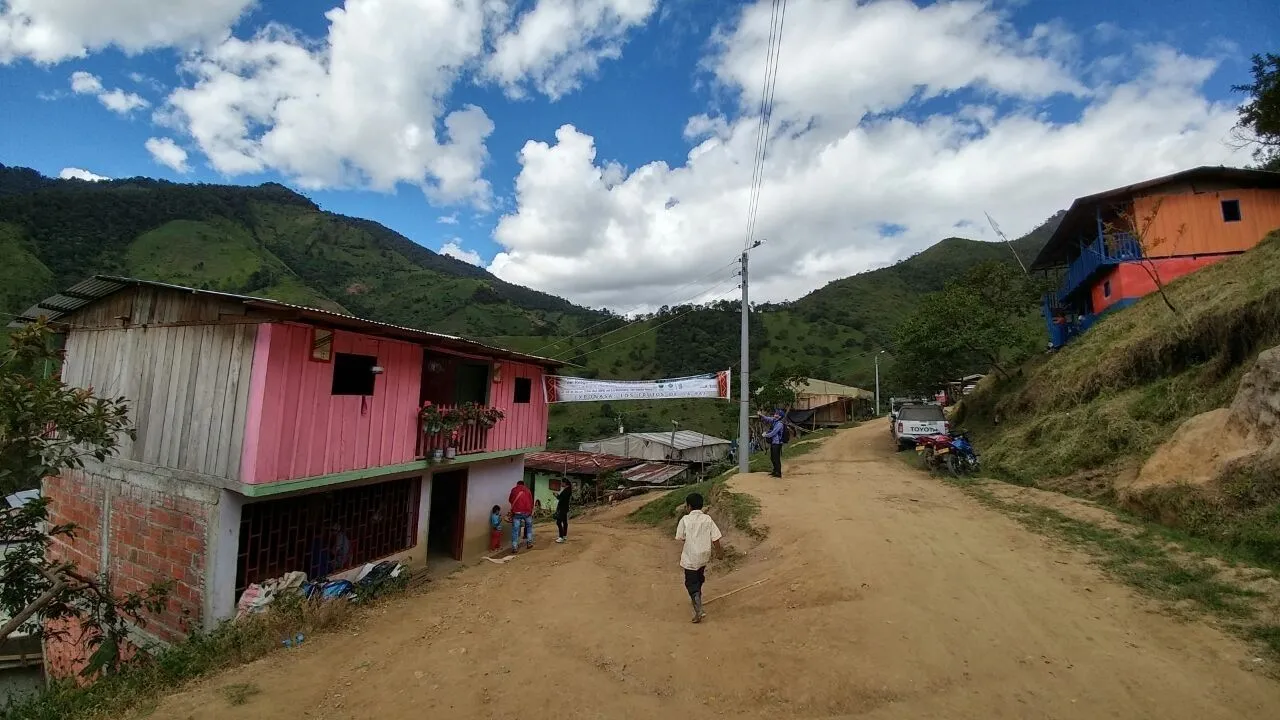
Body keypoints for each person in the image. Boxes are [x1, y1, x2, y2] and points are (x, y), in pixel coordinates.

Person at [675, 492, 723, 624]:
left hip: (691, 556)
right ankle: (698, 596)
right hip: (704, 555)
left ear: (688, 507)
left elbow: (680, 537)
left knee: (690, 582)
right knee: (699, 577)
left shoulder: (685, 520)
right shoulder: (707, 519)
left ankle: (698, 608)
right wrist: (719, 553)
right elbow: (716, 537)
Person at [508, 479, 535, 553]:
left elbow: (510, 500)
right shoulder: (528, 490)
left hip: (516, 513)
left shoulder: (514, 490)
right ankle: (529, 543)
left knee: (515, 530)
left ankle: (514, 547)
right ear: (523, 484)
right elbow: (531, 501)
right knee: (529, 527)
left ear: (517, 484)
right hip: (527, 512)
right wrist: (530, 510)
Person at [760, 408, 786, 478]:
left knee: (776, 458)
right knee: (772, 457)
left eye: (777, 414)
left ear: (780, 416)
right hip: (773, 442)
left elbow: (773, 433)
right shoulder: (774, 420)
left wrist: (765, 435)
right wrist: (761, 415)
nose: (775, 414)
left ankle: (778, 473)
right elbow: (767, 418)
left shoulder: (780, 424)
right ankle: (775, 471)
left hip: (777, 443)